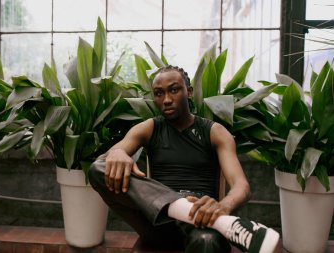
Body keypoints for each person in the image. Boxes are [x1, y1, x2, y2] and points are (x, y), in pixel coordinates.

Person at [88, 65, 280, 253]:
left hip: (203, 222)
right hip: (159, 224)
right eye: (159, 93)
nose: (166, 100)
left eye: (174, 90)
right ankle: (198, 215)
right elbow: (107, 161)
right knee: (98, 168)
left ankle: (208, 218)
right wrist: (118, 152)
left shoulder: (215, 132)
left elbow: (241, 186)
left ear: (188, 91)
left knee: (206, 241)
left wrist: (222, 207)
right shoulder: (150, 128)